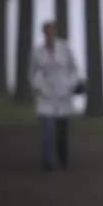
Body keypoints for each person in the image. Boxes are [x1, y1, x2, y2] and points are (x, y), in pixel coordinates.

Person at [28, 20, 84, 171]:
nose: (49, 35)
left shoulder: (65, 48)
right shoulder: (37, 52)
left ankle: (62, 157)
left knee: (61, 130)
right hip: (46, 94)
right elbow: (33, 73)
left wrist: (71, 85)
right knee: (47, 129)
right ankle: (48, 161)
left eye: (51, 32)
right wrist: (39, 86)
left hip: (64, 93)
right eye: (46, 32)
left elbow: (74, 68)